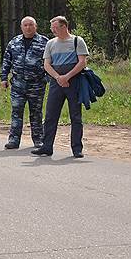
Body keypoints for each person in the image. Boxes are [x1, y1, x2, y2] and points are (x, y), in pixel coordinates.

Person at [32, 15, 89, 158]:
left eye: (55, 28)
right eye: (52, 28)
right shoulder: (50, 43)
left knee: (76, 116)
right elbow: (46, 64)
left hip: (74, 81)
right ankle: (47, 146)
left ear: (64, 27)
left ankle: (77, 148)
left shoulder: (77, 41)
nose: (53, 31)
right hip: (56, 82)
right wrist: (58, 78)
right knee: (50, 115)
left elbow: (82, 62)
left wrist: (67, 76)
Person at [0, 16, 49, 149]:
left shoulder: (45, 42)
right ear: (21, 27)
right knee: (16, 113)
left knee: (36, 113)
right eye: (25, 25)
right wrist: (3, 78)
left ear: (35, 26)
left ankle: (38, 140)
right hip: (18, 84)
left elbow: (51, 62)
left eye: (31, 25)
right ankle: (14, 140)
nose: (28, 27)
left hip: (37, 84)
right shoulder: (14, 42)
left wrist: (48, 78)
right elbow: (6, 61)